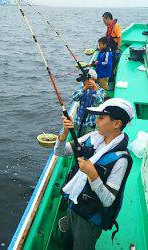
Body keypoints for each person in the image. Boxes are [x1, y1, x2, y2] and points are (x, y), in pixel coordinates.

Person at [54, 98, 134, 250]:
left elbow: (108, 200)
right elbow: (59, 151)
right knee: (67, 243)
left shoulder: (121, 160)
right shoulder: (92, 138)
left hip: (90, 218)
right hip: (74, 203)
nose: (96, 121)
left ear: (116, 123)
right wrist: (65, 132)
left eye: (101, 118)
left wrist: (93, 175)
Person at [72, 68, 105, 136]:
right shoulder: (82, 88)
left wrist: (95, 89)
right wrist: (84, 88)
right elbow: (74, 98)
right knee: (77, 137)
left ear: (92, 80)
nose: (83, 82)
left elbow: (100, 102)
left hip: (90, 122)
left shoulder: (100, 91)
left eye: (84, 80)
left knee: (87, 140)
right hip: (78, 121)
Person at [102, 12, 122, 80]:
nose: (103, 22)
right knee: (109, 63)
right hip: (110, 47)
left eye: (104, 20)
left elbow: (119, 38)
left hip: (115, 48)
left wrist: (118, 49)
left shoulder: (116, 26)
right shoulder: (109, 27)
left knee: (112, 65)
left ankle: (111, 81)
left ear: (108, 18)